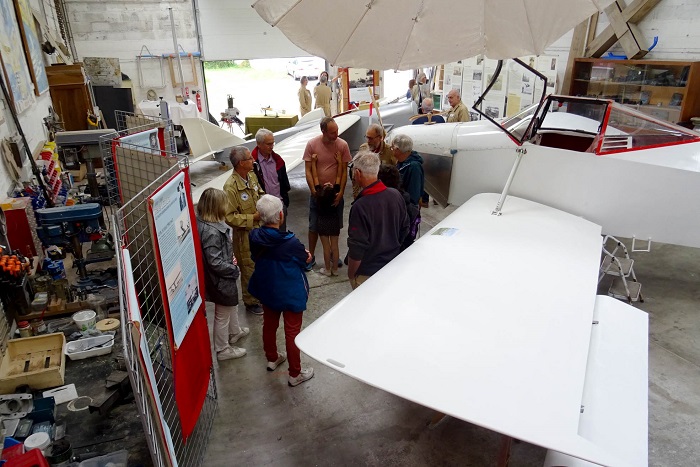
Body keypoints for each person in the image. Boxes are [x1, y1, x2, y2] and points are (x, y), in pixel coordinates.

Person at [248, 195, 314, 387]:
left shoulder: (254, 237)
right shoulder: (290, 243)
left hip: (268, 288)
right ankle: (295, 373)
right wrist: (308, 255)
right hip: (290, 292)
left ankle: (272, 357)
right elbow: (305, 260)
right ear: (280, 215)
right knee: (292, 332)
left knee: (269, 324)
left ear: (260, 216)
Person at [196, 188, 249, 361]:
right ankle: (222, 349)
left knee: (230, 305)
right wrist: (233, 269)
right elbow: (214, 262)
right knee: (222, 313)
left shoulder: (203, 224)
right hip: (220, 279)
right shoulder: (212, 232)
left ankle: (235, 332)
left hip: (222, 277)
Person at [347, 150, 409, 289]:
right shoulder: (395, 195)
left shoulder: (360, 206)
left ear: (357, 173)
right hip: (392, 266)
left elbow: (357, 248)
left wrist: (351, 274)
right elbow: (405, 228)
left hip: (368, 274)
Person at [302, 117, 351, 271]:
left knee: (335, 227)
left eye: (336, 131)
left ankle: (332, 255)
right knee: (313, 226)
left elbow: (343, 172)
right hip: (317, 195)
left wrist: (341, 192)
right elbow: (308, 170)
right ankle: (310, 257)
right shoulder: (312, 144)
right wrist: (314, 192)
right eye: (332, 132)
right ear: (323, 131)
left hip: (335, 195)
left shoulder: (342, 145)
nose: (336, 134)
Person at [223, 146, 265, 315]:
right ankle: (250, 301)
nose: (253, 160)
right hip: (244, 236)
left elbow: (260, 192)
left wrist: (264, 204)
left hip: (260, 230)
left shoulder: (251, 176)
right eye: (249, 158)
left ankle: (260, 294)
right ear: (241, 163)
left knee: (261, 264)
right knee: (248, 268)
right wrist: (252, 218)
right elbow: (229, 217)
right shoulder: (230, 187)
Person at [310, 151, 344, 276]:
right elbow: (339, 176)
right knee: (335, 246)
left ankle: (327, 269)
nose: (329, 183)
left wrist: (313, 163)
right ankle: (335, 269)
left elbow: (315, 177)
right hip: (334, 221)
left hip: (322, 222)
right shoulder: (335, 196)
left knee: (326, 248)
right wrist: (339, 162)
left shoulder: (318, 196)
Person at [252, 128, 291, 231]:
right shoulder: (251, 163)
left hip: (279, 206)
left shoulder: (278, 161)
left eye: (273, 143)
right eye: (268, 144)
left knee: (280, 239)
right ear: (259, 144)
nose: (272, 147)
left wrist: (285, 203)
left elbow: (284, 184)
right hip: (262, 210)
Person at [378, 164, 420, 252]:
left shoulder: (378, 207)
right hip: (404, 253)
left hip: (385, 256)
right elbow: (412, 234)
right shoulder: (411, 207)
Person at [351, 123, 395, 198]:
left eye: (371, 138)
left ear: (380, 138)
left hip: (383, 194)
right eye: (367, 137)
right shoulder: (363, 149)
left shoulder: (390, 152)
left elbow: (395, 176)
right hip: (366, 193)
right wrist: (356, 196)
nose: (368, 141)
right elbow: (355, 174)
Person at [392, 134, 425, 208]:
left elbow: (414, 195)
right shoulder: (400, 163)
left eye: (392, 147)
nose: (391, 149)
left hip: (407, 208)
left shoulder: (414, 167)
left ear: (398, 149)